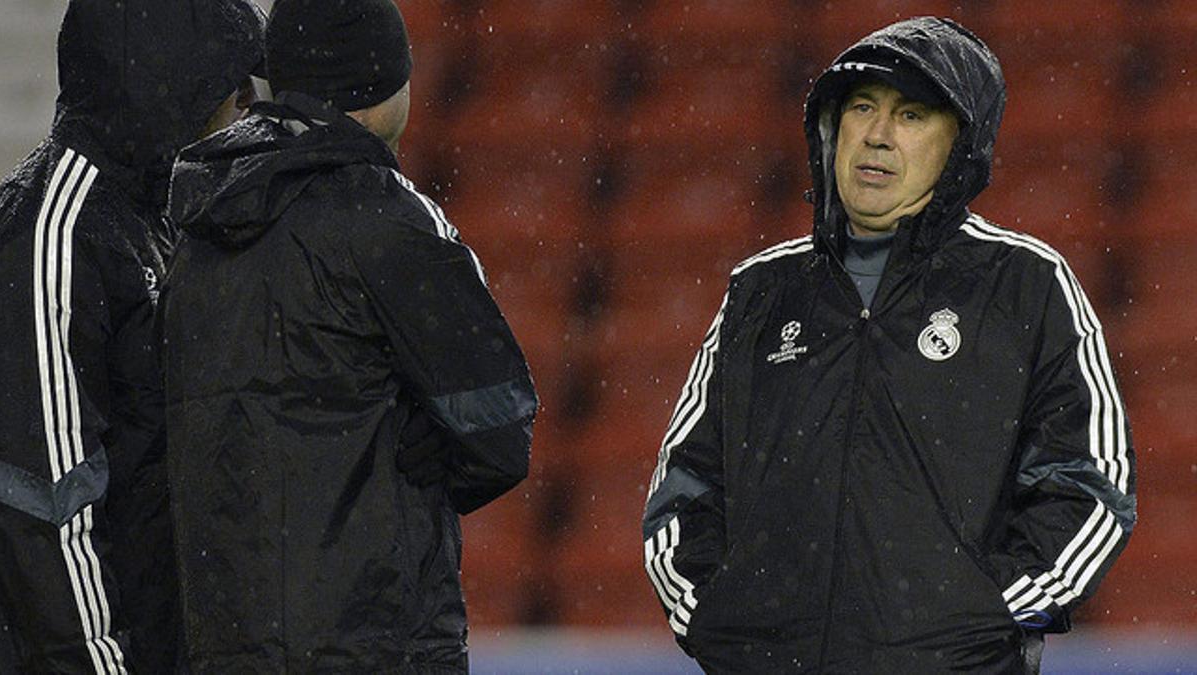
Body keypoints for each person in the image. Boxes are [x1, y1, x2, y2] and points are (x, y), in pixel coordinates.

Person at [642, 16, 1135, 674]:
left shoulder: (1028, 286)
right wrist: (715, 615)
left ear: (959, 144)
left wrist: (982, 620)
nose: (876, 135)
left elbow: (1091, 485)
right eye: (862, 109)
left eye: (910, 115)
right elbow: (683, 488)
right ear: (830, 130)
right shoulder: (760, 293)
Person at [160, 0, 538, 671]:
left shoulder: (193, 227)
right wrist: (408, 448)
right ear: (381, 83)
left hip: (223, 644)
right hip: (374, 642)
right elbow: (500, 429)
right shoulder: (389, 219)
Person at [0, 0, 264, 672]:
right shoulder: (52, 239)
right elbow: (44, 503)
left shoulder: (155, 218)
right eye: (231, 84)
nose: (245, 105)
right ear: (172, 84)